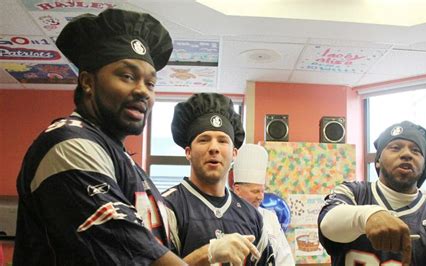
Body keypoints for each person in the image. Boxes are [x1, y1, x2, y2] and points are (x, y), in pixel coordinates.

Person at [13, 9, 256, 266]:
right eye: (127, 76)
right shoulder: (68, 145)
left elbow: (154, 251)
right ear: (87, 82)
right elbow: (136, 256)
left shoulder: (128, 165)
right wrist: (207, 253)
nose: (142, 90)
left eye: (150, 84)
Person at [318, 121, 426, 265]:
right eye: (395, 147)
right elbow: (327, 225)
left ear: (424, 166)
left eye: (416, 150)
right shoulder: (352, 193)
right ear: (378, 160)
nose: (406, 154)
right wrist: (369, 216)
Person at [162, 93, 274, 265]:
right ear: (188, 152)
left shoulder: (251, 216)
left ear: (234, 153)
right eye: (204, 140)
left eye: (222, 141)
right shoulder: (167, 208)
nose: (214, 148)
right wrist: (207, 254)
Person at [233, 144, 295, 265]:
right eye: (255, 191)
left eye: (262, 191)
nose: (260, 196)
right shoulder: (226, 215)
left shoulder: (270, 217)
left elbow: (284, 258)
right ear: (237, 190)